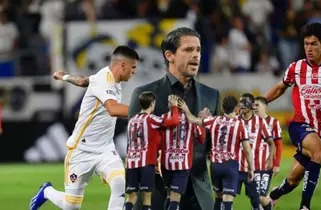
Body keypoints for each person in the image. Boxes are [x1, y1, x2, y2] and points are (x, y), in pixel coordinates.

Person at [29, 45, 139, 210]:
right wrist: (143, 111)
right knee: (71, 206)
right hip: (82, 150)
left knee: (119, 181)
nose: (134, 72)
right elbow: (113, 109)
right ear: (123, 65)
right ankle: (47, 192)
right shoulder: (105, 81)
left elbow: (83, 81)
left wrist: (65, 76)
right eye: (133, 67)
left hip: (105, 149)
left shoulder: (106, 77)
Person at [128, 27, 220, 210]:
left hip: (199, 197)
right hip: (159, 195)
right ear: (169, 55)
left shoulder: (212, 95)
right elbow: (134, 146)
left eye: (198, 50)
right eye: (188, 50)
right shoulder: (144, 94)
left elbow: (214, 147)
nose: (196, 55)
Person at [264, 22, 321, 210]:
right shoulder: (296, 68)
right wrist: (261, 102)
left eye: (313, 44)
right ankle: (305, 206)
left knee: (293, 180)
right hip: (299, 125)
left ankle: (271, 197)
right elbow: (280, 87)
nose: (309, 49)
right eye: (306, 44)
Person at [178, 95, 254, 210]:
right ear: (236, 109)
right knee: (227, 201)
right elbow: (247, 150)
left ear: (223, 108)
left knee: (218, 198)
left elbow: (193, 120)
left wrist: (185, 108)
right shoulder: (240, 125)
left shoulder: (214, 120)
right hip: (230, 165)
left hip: (215, 166)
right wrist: (251, 169)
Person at [125, 92, 181, 210]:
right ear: (152, 104)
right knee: (146, 197)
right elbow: (174, 122)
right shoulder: (152, 119)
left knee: (131, 197)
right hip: (145, 163)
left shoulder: (132, 120)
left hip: (130, 162)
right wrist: (174, 107)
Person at [160, 98, 206, 210]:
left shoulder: (163, 117)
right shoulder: (191, 120)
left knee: (170, 196)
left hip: (166, 163)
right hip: (182, 163)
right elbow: (201, 138)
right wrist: (201, 120)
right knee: (175, 199)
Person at [237, 93, 275, 210]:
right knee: (226, 195)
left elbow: (272, 143)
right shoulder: (235, 120)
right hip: (236, 167)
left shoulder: (260, 122)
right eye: (240, 102)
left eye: (245, 102)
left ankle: (268, 206)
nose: (242, 105)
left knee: (258, 198)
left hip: (255, 167)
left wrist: (270, 159)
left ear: (252, 105)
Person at [254, 96, 283, 192]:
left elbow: (278, 144)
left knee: (260, 194)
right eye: (253, 105)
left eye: (257, 105)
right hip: (251, 164)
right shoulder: (250, 122)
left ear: (265, 106)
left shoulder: (274, 122)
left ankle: (268, 203)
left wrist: (277, 164)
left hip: (267, 164)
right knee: (254, 195)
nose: (255, 107)